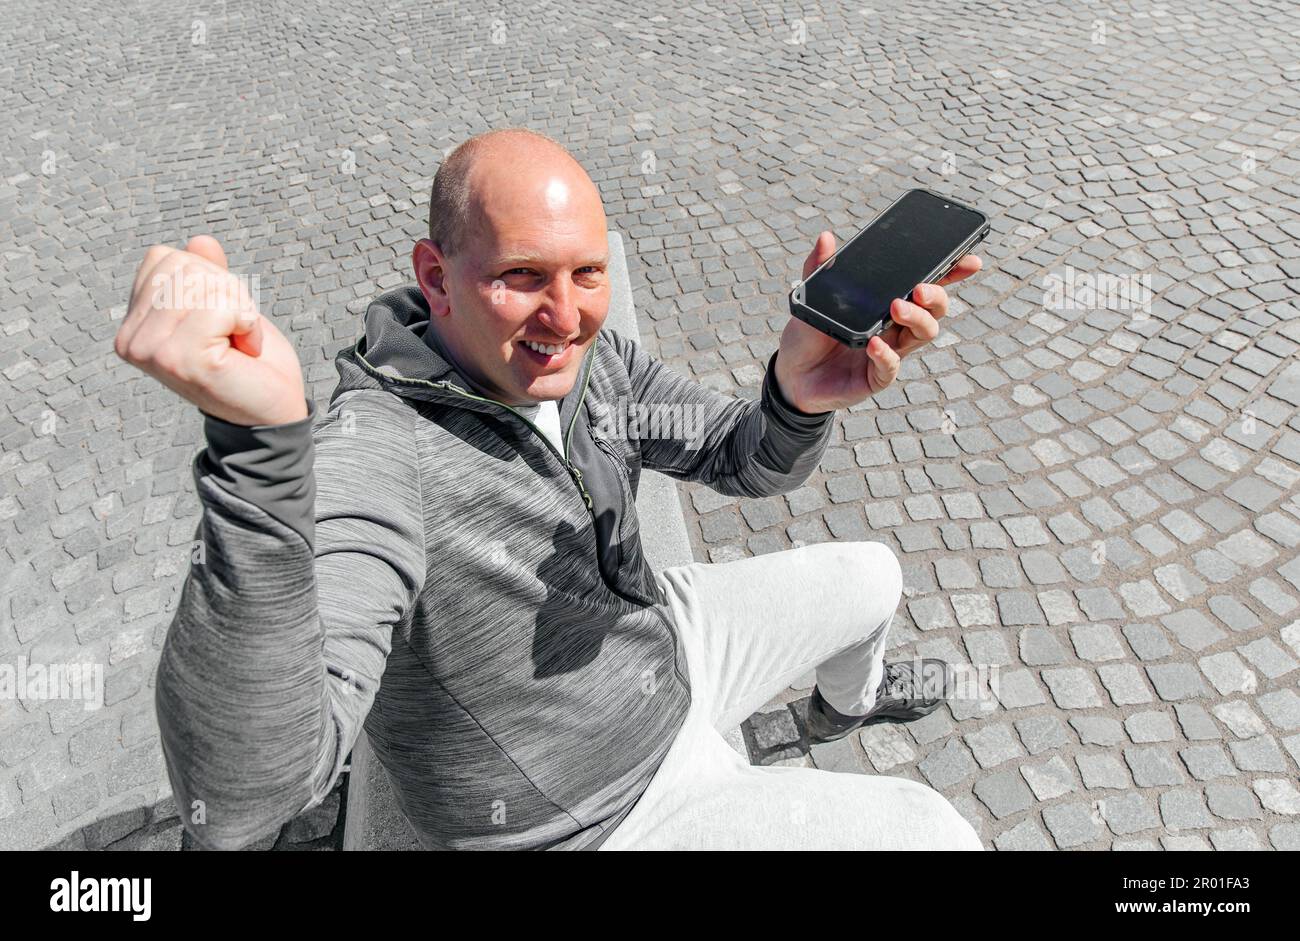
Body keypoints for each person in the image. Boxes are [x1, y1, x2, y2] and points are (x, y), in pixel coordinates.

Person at [117, 127, 985, 851]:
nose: (566, 318)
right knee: (934, 831)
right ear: (434, 276)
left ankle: (838, 714)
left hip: (662, 650)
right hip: (596, 808)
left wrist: (794, 393)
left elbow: (743, 458)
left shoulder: (589, 361)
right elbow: (241, 802)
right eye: (522, 277)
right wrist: (259, 455)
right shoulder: (374, 454)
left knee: (876, 574)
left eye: (588, 273)